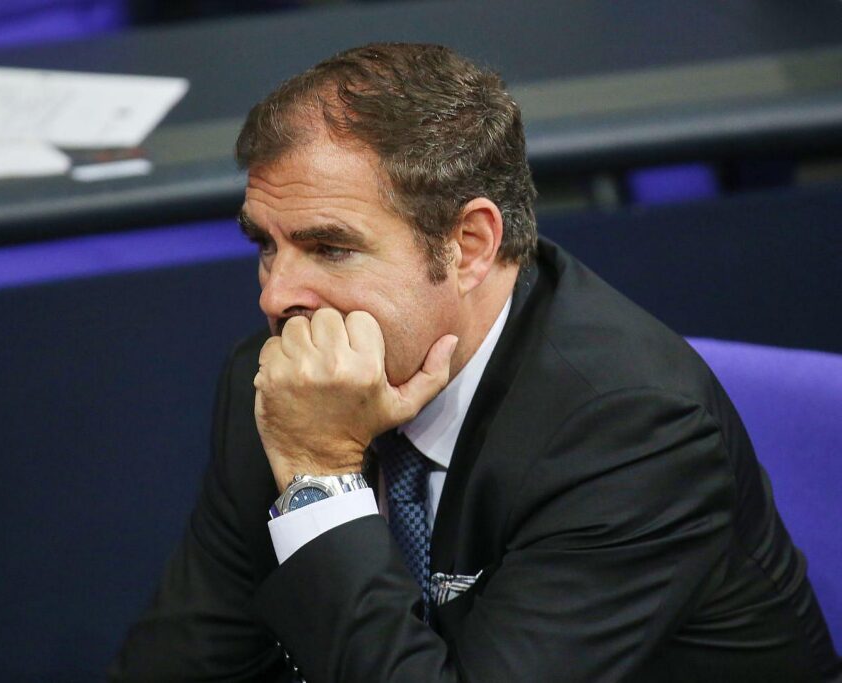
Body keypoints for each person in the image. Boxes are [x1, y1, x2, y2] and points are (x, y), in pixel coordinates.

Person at [110, 43, 840, 682]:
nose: (275, 296)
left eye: (329, 247)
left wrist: (318, 480)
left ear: (469, 246)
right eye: (266, 245)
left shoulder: (632, 431)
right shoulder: (285, 385)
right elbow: (181, 664)